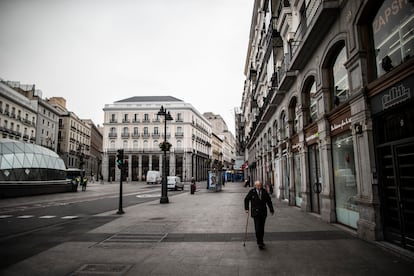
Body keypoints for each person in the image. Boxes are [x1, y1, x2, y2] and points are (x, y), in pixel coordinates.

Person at [244, 180, 274, 249]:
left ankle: (261, 241)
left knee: (262, 228)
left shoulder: (264, 191)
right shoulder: (252, 192)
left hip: (263, 212)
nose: (259, 187)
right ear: (255, 186)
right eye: (257, 185)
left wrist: (271, 209)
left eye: (260, 185)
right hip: (256, 213)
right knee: (257, 228)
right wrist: (246, 208)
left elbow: (269, 201)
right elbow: (246, 199)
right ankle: (259, 241)